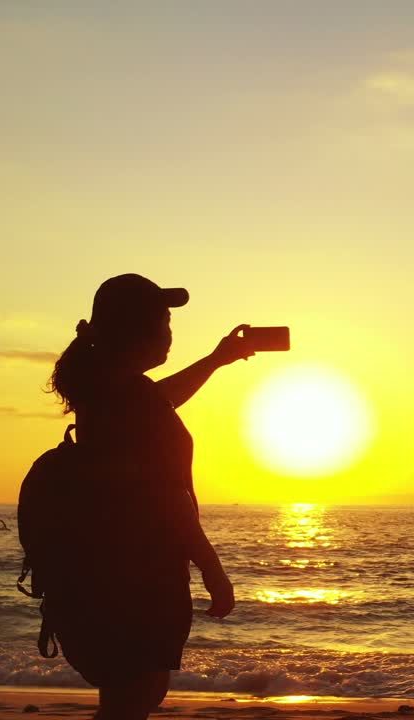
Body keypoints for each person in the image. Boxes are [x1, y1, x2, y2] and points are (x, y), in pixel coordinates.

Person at [44, 273, 254, 720]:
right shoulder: (125, 396)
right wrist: (213, 571)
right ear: (134, 330)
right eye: (163, 320)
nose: (170, 330)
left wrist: (218, 359)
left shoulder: (108, 391)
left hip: (105, 569)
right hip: (135, 575)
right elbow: (166, 500)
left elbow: (163, 399)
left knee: (126, 697)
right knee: (136, 697)